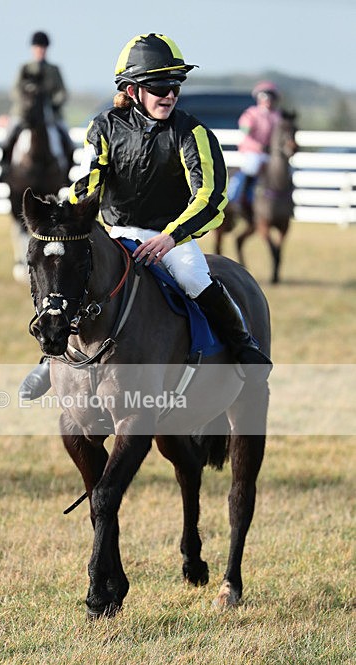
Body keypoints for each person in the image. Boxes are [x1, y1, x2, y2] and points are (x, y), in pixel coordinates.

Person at [19, 33, 271, 400]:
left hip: (170, 239)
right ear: (133, 90)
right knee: (70, 280)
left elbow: (211, 196)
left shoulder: (192, 133)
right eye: (158, 87)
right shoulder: (104, 127)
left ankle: (243, 346)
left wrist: (170, 236)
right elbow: (92, 181)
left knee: (194, 276)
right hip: (114, 232)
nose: (169, 94)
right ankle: (49, 359)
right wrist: (64, 212)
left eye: (174, 86)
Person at [1, 31, 73, 176]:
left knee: (67, 140)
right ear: (33, 49)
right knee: (8, 139)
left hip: (50, 115)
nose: (40, 50)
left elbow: (63, 92)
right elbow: (15, 90)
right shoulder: (25, 68)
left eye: (43, 47)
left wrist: (52, 103)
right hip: (24, 114)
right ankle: (5, 170)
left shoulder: (54, 70)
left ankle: (66, 173)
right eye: (38, 47)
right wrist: (27, 102)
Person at [234, 80, 282, 211]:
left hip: (270, 153)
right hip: (252, 151)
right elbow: (245, 132)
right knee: (252, 167)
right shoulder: (251, 113)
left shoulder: (277, 116)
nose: (268, 100)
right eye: (265, 97)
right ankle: (240, 198)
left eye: (271, 97)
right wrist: (258, 146)